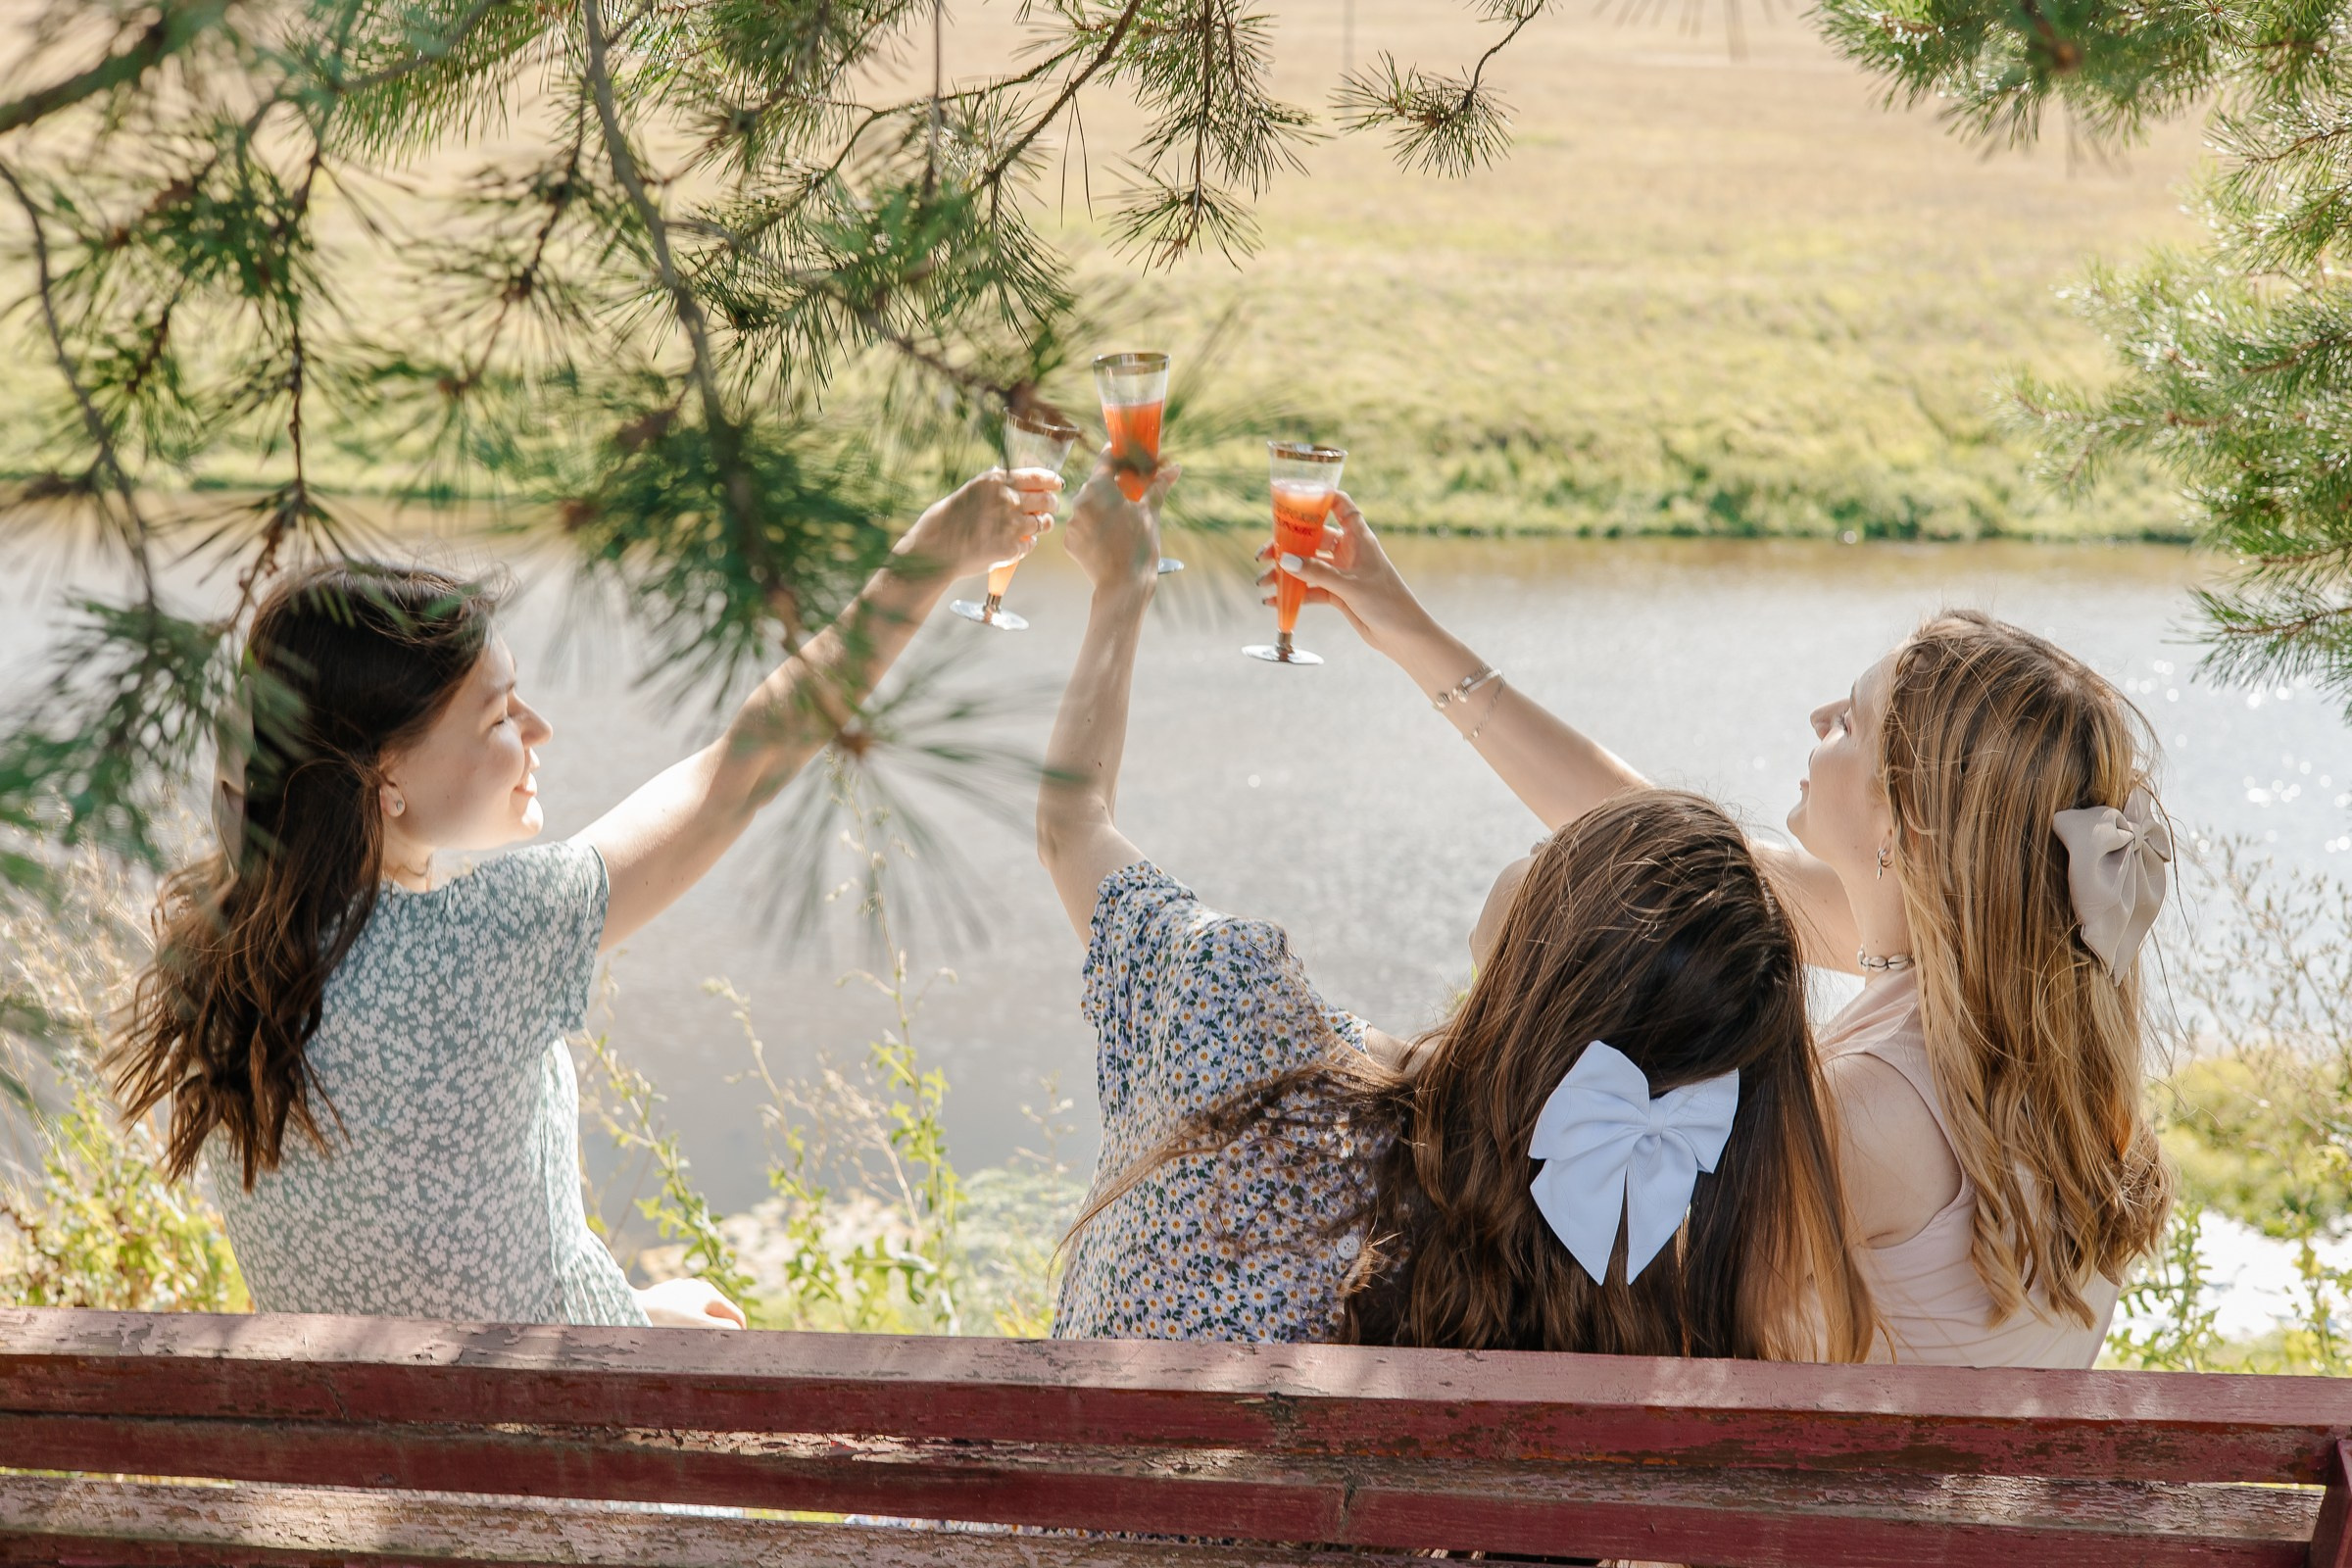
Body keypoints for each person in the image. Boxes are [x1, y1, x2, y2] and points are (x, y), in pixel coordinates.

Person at [107, 468, 1057, 1328]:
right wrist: (928, 559)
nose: (540, 729)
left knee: (678, 1311)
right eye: (498, 714)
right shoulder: (486, 936)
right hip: (547, 1475)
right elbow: (746, 765)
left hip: (371, 1475)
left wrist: (634, 1306)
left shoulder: (223, 954)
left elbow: (417, 1251)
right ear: (384, 774)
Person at [1267, 502, 2173, 1366]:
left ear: (1906, 830)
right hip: (1948, 1519)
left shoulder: (1873, 1118)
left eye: (1850, 721)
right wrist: (1406, 631)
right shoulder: (1996, 987)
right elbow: (1647, 843)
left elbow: (1609, 1234)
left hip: (1821, 1523)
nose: (1820, 720)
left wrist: (1514, 939)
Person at [1034, 463, 1873, 1359]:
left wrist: (1120, 590)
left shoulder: (1237, 1013)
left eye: (1568, 847)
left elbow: (1070, 822)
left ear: (1550, 954)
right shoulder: (1634, 1285)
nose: (1550, 835)